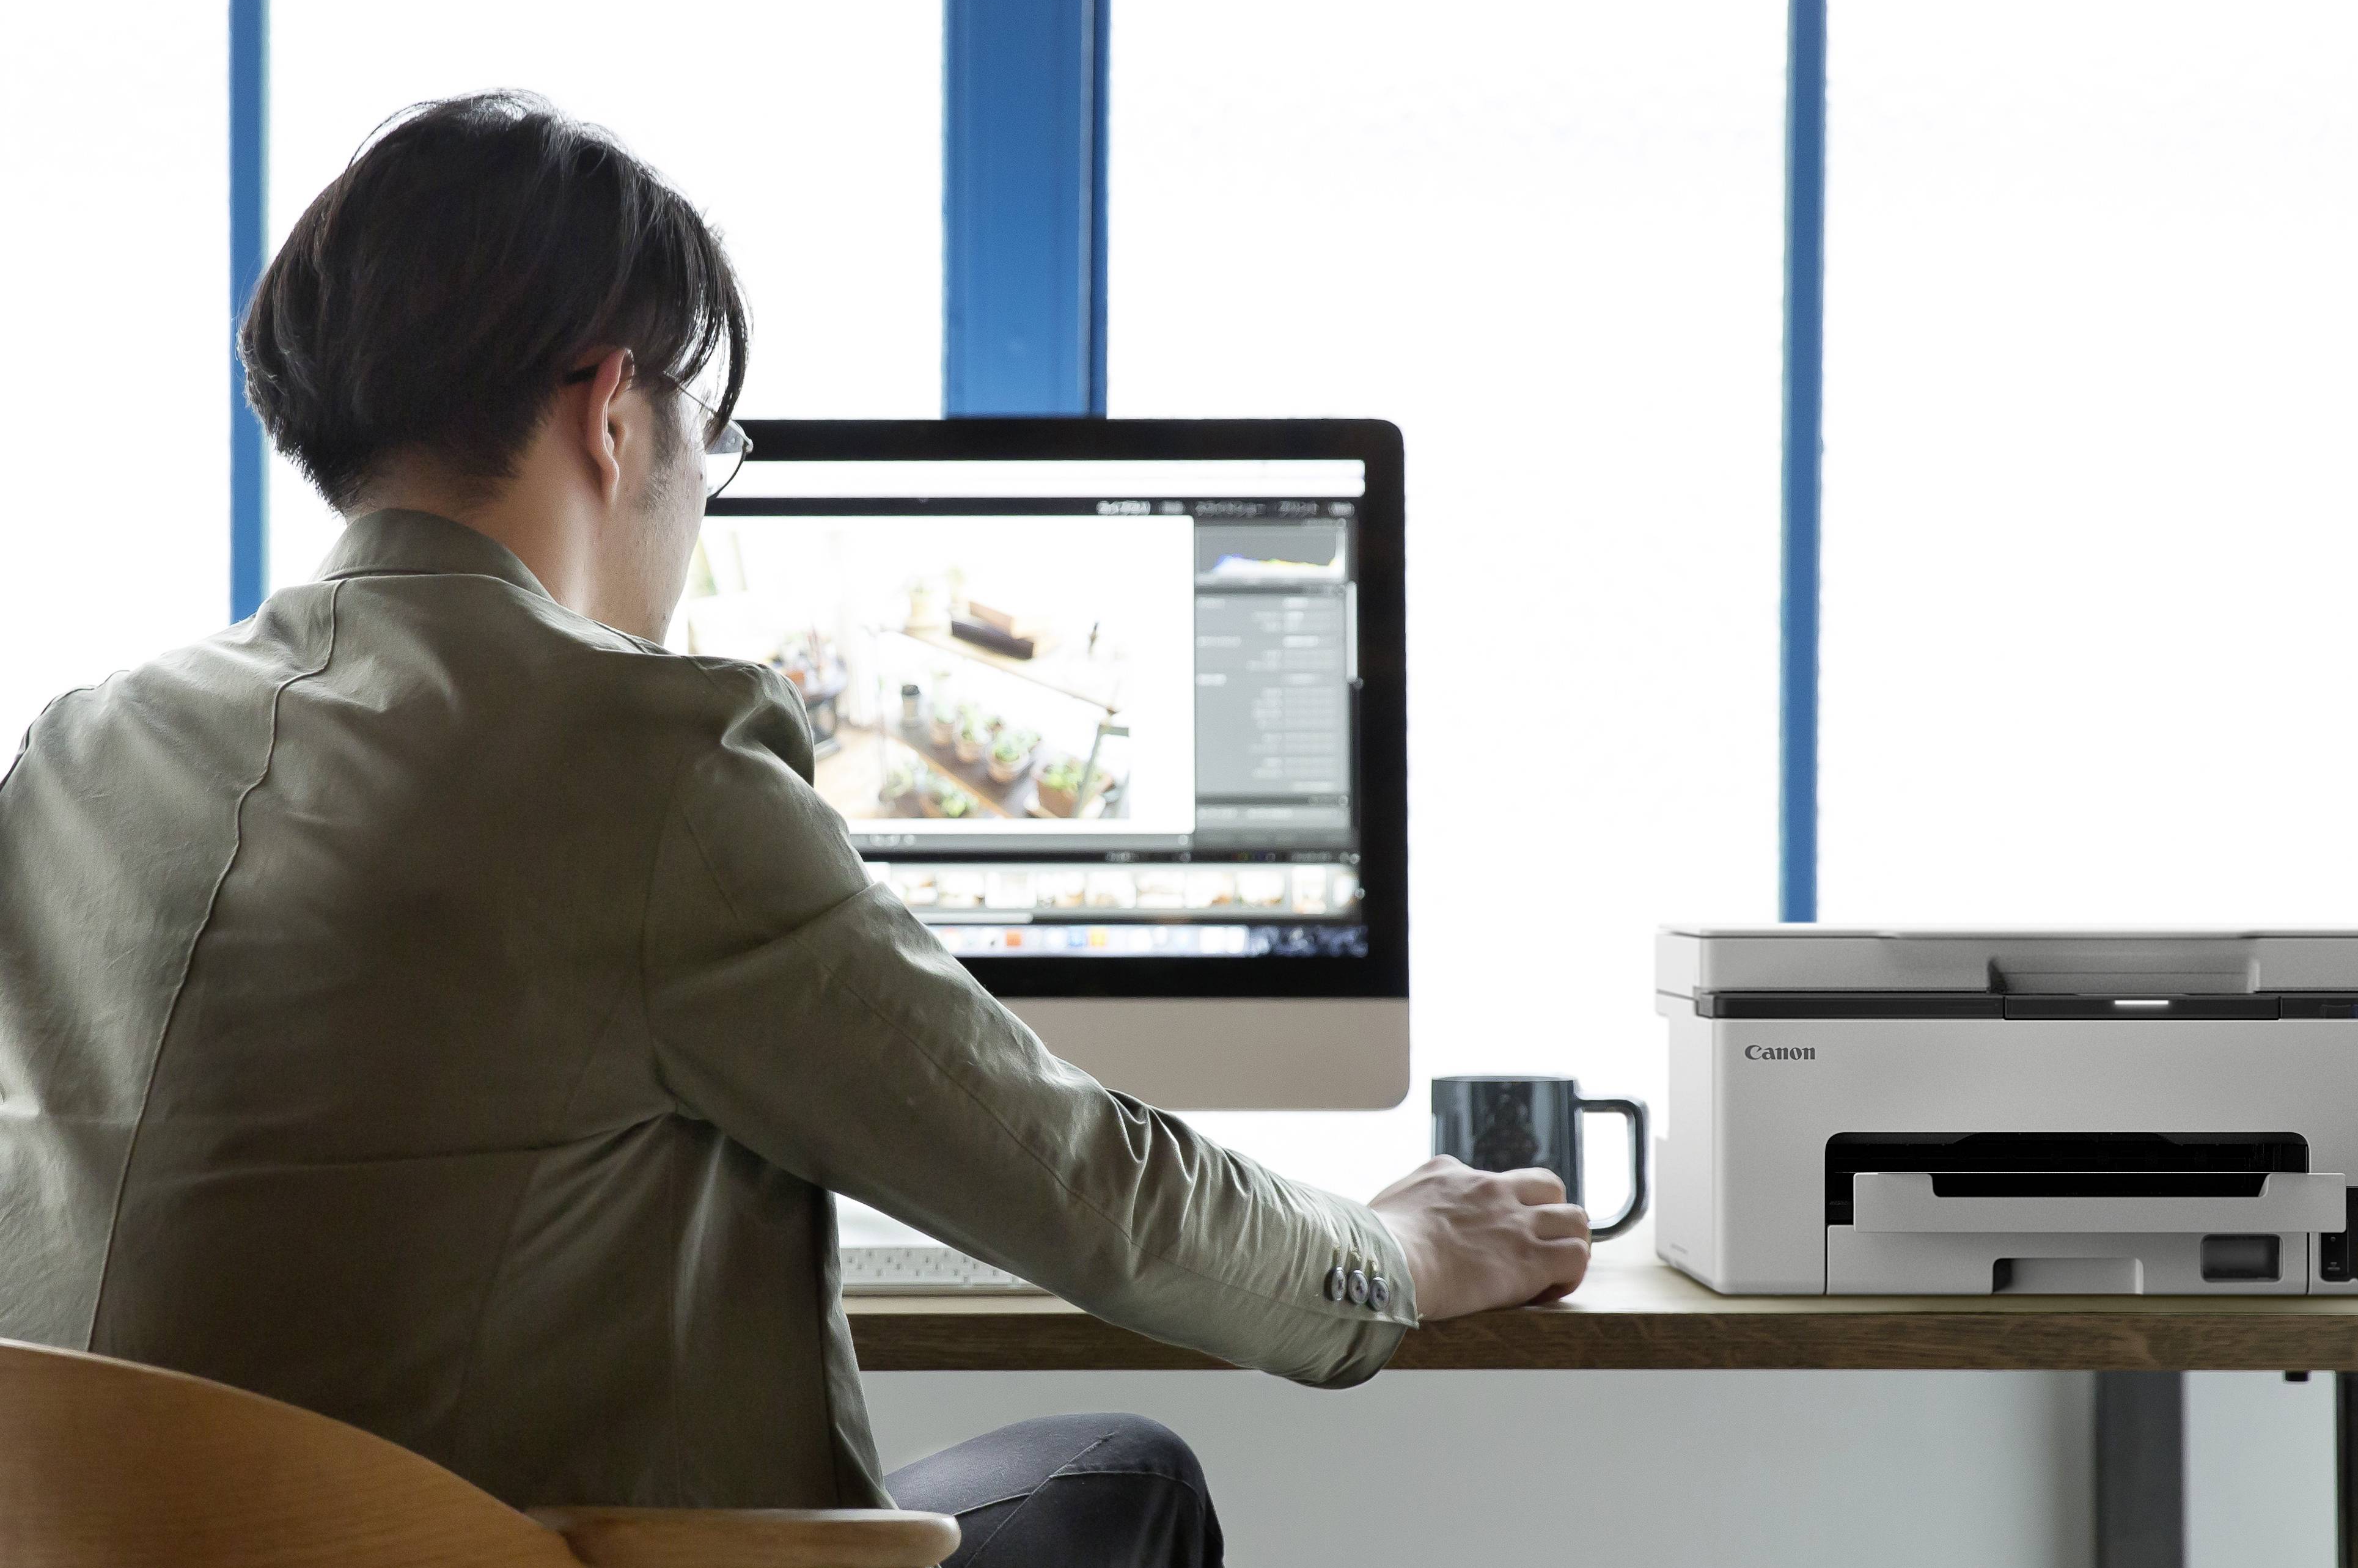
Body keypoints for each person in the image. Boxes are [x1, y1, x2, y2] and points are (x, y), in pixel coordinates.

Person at [0, 93, 1589, 1567]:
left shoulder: (79, 745)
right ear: (618, 408)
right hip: (508, 1557)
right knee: (1130, 1471)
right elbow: (1095, 1196)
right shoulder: (639, 755)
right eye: (716, 435)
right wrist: (1395, 1257)